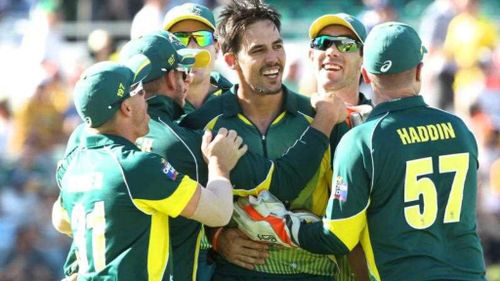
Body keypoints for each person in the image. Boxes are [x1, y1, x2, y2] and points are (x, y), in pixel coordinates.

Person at [119, 30, 347, 281]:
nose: (189, 80)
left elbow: (67, 223)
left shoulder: (85, 142)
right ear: (173, 79)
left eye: (277, 46)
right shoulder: (190, 143)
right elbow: (283, 184)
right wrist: (324, 120)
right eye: (184, 72)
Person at [293, 22, 486, 281]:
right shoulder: (460, 128)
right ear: (419, 71)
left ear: (366, 75)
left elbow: (338, 237)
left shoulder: (361, 140)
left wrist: (285, 225)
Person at [180, 0, 349, 280]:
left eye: (278, 46)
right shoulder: (203, 125)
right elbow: (184, 210)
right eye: (258, 50)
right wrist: (217, 237)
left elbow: (347, 212)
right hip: (236, 274)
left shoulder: (321, 118)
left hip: (315, 272)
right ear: (231, 59)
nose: (273, 59)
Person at [51, 55, 247, 280]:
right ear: (126, 107)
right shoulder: (137, 167)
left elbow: (62, 221)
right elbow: (219, 212)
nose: (147, 99)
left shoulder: (74, 165)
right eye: (140, 92)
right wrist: (219, 164)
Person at [163, 2, 233, 113]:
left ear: (217, 48)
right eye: (179, 38)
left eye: (202, 37)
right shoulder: (152, 110)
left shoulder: (239, 102)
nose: (191, 47)